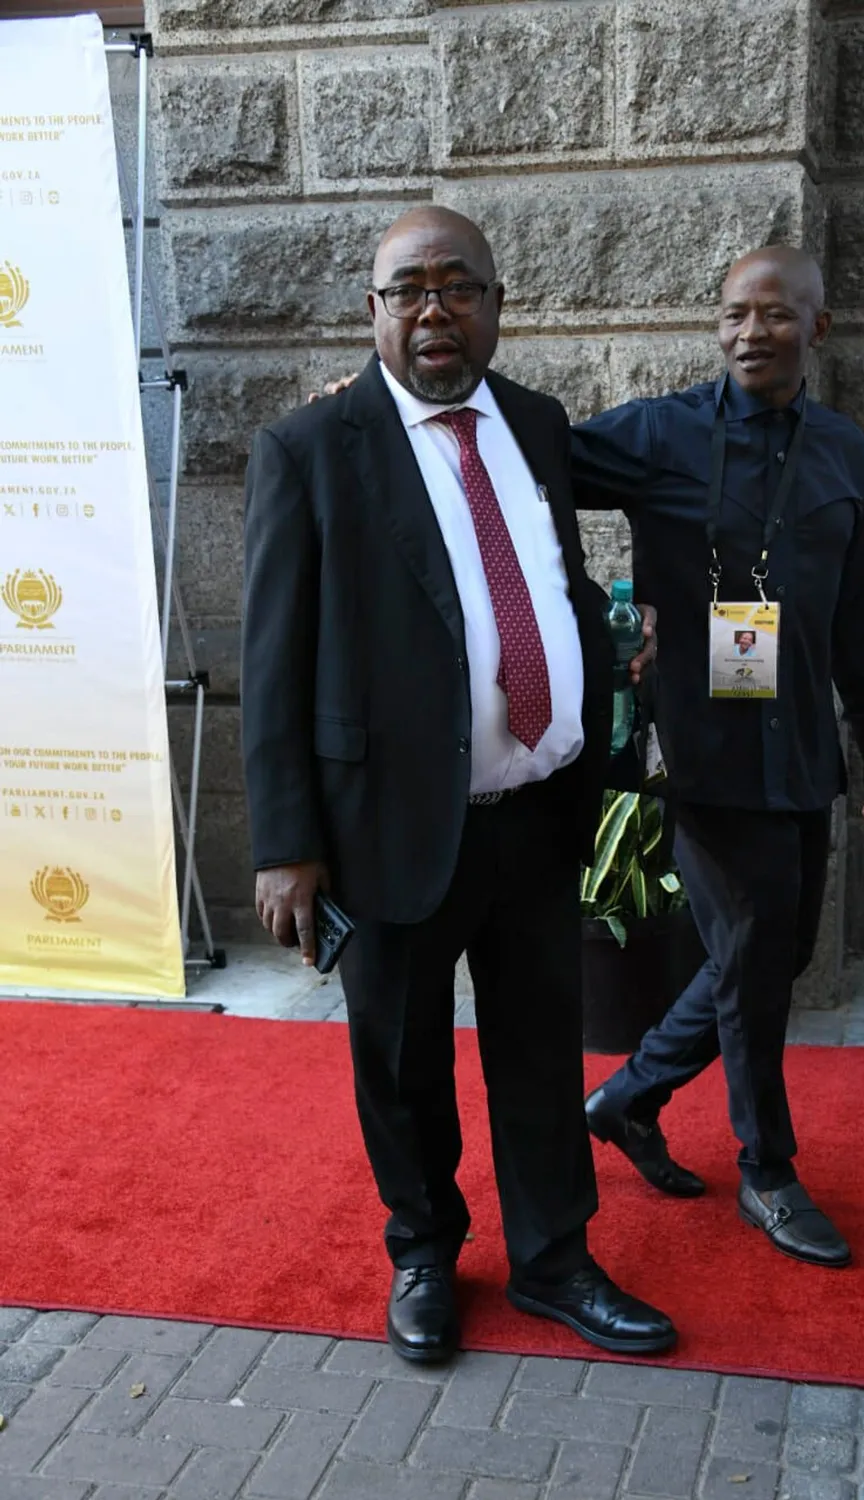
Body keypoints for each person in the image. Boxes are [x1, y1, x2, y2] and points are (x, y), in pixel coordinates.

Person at [241, 205, 676, 1365]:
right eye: (408, 289)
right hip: (383, 825)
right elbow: (273, 658)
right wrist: (284, 843)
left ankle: (555, 1261)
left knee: (539, 1047)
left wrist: (600, 653)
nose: (433, 309)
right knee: (401, 1058)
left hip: (535, 812)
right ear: (373, 311)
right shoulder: (310, 447)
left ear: (495, 304)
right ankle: (425, 1252)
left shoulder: (533, 424)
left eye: (457, 286)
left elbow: (541, 578)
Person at [571, 245, 864, 1269]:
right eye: (733, 315)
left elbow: (862, 617)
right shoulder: (659, 434)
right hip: (708, 751)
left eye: (774, 314)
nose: (751, 332)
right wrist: (587, 618)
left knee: (776, 951)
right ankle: (767, 1170)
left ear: (817, 327)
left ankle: (628, 1098)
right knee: (755, 959)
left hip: (800, 747)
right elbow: (529, 464)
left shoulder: (844, 453)